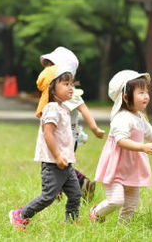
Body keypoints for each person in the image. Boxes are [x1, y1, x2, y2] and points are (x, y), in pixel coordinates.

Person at [89, 70, 152, 224]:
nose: (146, 96)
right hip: (116, 166)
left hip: (131, 167)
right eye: (140, 92)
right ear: (125, 97)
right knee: (116, 200)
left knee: (131, 202)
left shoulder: (139, 116)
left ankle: (122, 230)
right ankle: (96, 212)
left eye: (146, 92)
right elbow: (121, 141)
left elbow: (151, 132)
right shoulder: (122, 118)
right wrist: (142, 147)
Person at [9, 66, 81, 231]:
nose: (71, 88)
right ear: (52, 87)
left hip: (65, 163)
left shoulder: (63, 109)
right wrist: (57, 155)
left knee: (76, 194)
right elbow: (48, 134)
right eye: (66, 84)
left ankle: (71, 222)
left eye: (72, 84)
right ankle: (20, 215)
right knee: (48, 196)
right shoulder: (51, 108)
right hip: (53, 162)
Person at [40, 47, 105, 201]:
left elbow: (84, 109)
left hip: (64, 137)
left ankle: (70, 186)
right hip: (59, 135)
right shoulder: (53, 90)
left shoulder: (68, 91)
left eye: (52, 67)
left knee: (56, 164)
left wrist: (95, 128)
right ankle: (70, 187)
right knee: (60, 165)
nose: (47, 71)